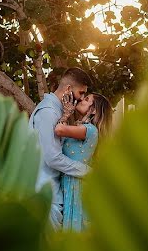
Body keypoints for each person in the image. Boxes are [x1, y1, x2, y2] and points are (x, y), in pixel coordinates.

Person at [30, 67, 93, 228]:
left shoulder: (59, 112)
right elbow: (52, 157)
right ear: (68, 89)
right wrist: (86, 171)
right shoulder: (48, 112)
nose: (81, 99)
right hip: (44, 194)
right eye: (81, 93)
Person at [56, 93, 112, 231]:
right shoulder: (81, 127)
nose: (81, 99)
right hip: (70, 180)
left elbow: (59, 129)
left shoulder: (90, 130)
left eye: (86, 99)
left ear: (93, 110)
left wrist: (66, 114)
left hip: (76, 184)